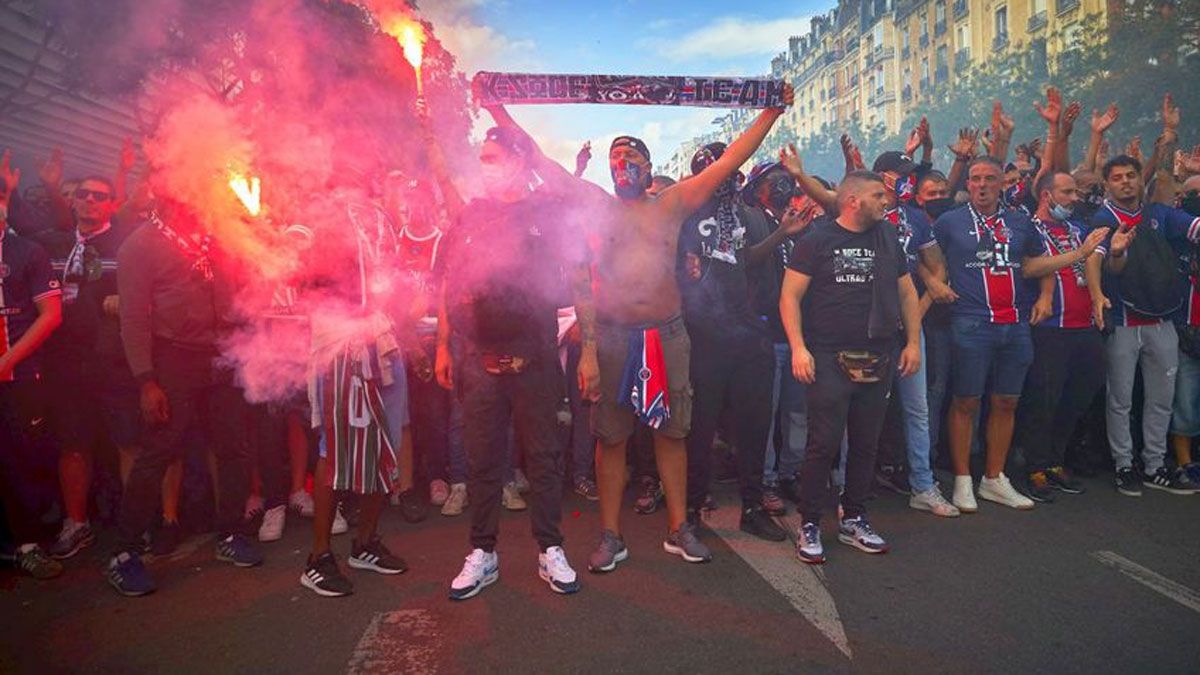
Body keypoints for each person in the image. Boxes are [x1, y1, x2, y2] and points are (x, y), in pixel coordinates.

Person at [581, 84, 793, 572]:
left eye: (633, 153)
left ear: (648, 162)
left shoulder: (671, 204)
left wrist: (771, 112)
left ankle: (680, 528)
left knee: (672, 433)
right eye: (616, 154)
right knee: (611, 438)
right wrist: (500, 113)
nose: (624, 161)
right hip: (614, 335)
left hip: (667, 333)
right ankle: (611, 536)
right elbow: (543, 170)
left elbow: (730, 160)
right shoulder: (596, 207)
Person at [433, 113, 588, 600]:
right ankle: (483, 553)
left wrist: (591, 352)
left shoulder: (547, 211)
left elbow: (578, 274)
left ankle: (550, 549)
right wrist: (443, 344)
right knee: (483, 459)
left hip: (537, 355)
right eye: (482, 159)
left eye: (494, 158)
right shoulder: (470, 215)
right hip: (478, 358)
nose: (486, 167)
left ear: (520, 161)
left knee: (542, 455)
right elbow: (448, 283)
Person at [922, 156, 1107, 513]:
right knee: (966, 401)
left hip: (1015, 323)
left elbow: (1034, 265)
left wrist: (1051, 290)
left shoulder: (1021, 223)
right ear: (969, 184)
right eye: (975, 179)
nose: (981, 185)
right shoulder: (949, 222)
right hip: (970, 321)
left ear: (1002, 184)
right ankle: (962, 480)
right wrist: (933, 283)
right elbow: (924, 257)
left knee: (1006, 401)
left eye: (989, 178)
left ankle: (994, 478)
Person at [109, 196, 262, 596]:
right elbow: (134, 319)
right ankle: (124, 553)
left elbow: (243, 289)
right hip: (172, 359)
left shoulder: (217, 234)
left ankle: (231, 533)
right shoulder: (139, 245)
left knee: (234, 447)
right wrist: (147, 380)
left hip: (221, 353)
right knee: (159, 451)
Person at [780, 171, 922, 563]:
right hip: (827, 355)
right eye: (878, 195)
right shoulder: (817, 240)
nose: (886, 201)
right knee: (823, 443)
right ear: (854, 201)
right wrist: (798, 348)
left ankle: (855, 517)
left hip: (879, 353)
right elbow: (790, 296)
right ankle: (809, 522)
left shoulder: (888, 236)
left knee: (866, 442)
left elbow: (907, 291)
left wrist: (912, 343)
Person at [299, 172, 413, 598]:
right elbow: (296, 269)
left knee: (384, 444)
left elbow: (394, 282)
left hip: (383, 337)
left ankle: (364, 544)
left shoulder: (381, 217)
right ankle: (318, 557)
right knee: (335, 449)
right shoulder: (319, 217)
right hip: (340, 341)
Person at [1089, 96, 1200, 495]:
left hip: (1163, 321)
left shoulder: (1160, 214)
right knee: (1120, 399)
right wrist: (1107, 272)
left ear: (1140, 180)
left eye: (1130, 176)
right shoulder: (1102, 219)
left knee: (1160, 399)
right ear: (1107, 184)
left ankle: (1154, 464)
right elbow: (1097, 263)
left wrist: (1169, 133)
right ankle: (1124, 464)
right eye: (1117, 177)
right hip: (1121, 321)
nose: (1125, 182)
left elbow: (1194, 227)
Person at [676, 143, 787, 542]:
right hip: (702, 338)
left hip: (746, 335)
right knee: (699, 428)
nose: (727, 182)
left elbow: (746, 260)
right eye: (718, 173)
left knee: (753, 427)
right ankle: (690, 508)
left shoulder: (746, 214)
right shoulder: (683, 215)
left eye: (732, 173)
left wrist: (783, 234)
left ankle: (753, 508)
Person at [34, 176, 142, 559]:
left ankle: (135, 525)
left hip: (114, 361)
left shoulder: (127, 242)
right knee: (73, 443)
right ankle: (77, 524)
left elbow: (147, 289)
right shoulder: (52, 243)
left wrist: (124, 297)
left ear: (113, 204)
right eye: (84, 194)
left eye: (100, 196)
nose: (91, 201)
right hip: (66, 364)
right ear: (74, 202)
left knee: (128, 441)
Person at [871, 150, 959, 517]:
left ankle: (923, 485)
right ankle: (848, 487)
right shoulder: (862, 216)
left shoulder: (914, 219)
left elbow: (938, 268)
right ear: (881, 177)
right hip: (868, 330)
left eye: (909, 174)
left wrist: (916, 316)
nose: (906, 180)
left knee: (917, 409)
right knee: (861, 410)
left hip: (909, 331)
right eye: (899, 174)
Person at [1017, 171, 1108, 502]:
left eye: (1075, 192)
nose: (1074, 198)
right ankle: (1035, 467)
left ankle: (1056, 460)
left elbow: (1093, 262)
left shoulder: (1076, 228)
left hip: (1083, 325)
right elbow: (1030, 267)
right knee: (1044, 399)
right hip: (1049, 328)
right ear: (1046, 195)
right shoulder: (1029, 227)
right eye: (1067, 192)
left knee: (1079, 394)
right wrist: (1079, 254)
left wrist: (1097, 295)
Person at [0, 149, 65, 579]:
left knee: (22, 460)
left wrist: (6, 360)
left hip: (20, 377)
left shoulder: (28, 251)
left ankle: (27, 545)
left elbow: (52, 315)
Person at [741, 159, 818, 511]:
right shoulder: (750, 218)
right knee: (765, 413)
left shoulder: (800, 222)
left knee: (797, 411)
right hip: (767, 334)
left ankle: (792, 474)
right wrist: (780, 233)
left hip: (798, 336)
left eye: (789, 182)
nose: (786, 188)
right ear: (759, 190)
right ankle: (767, 481)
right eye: (777, 182)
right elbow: (747, 262)